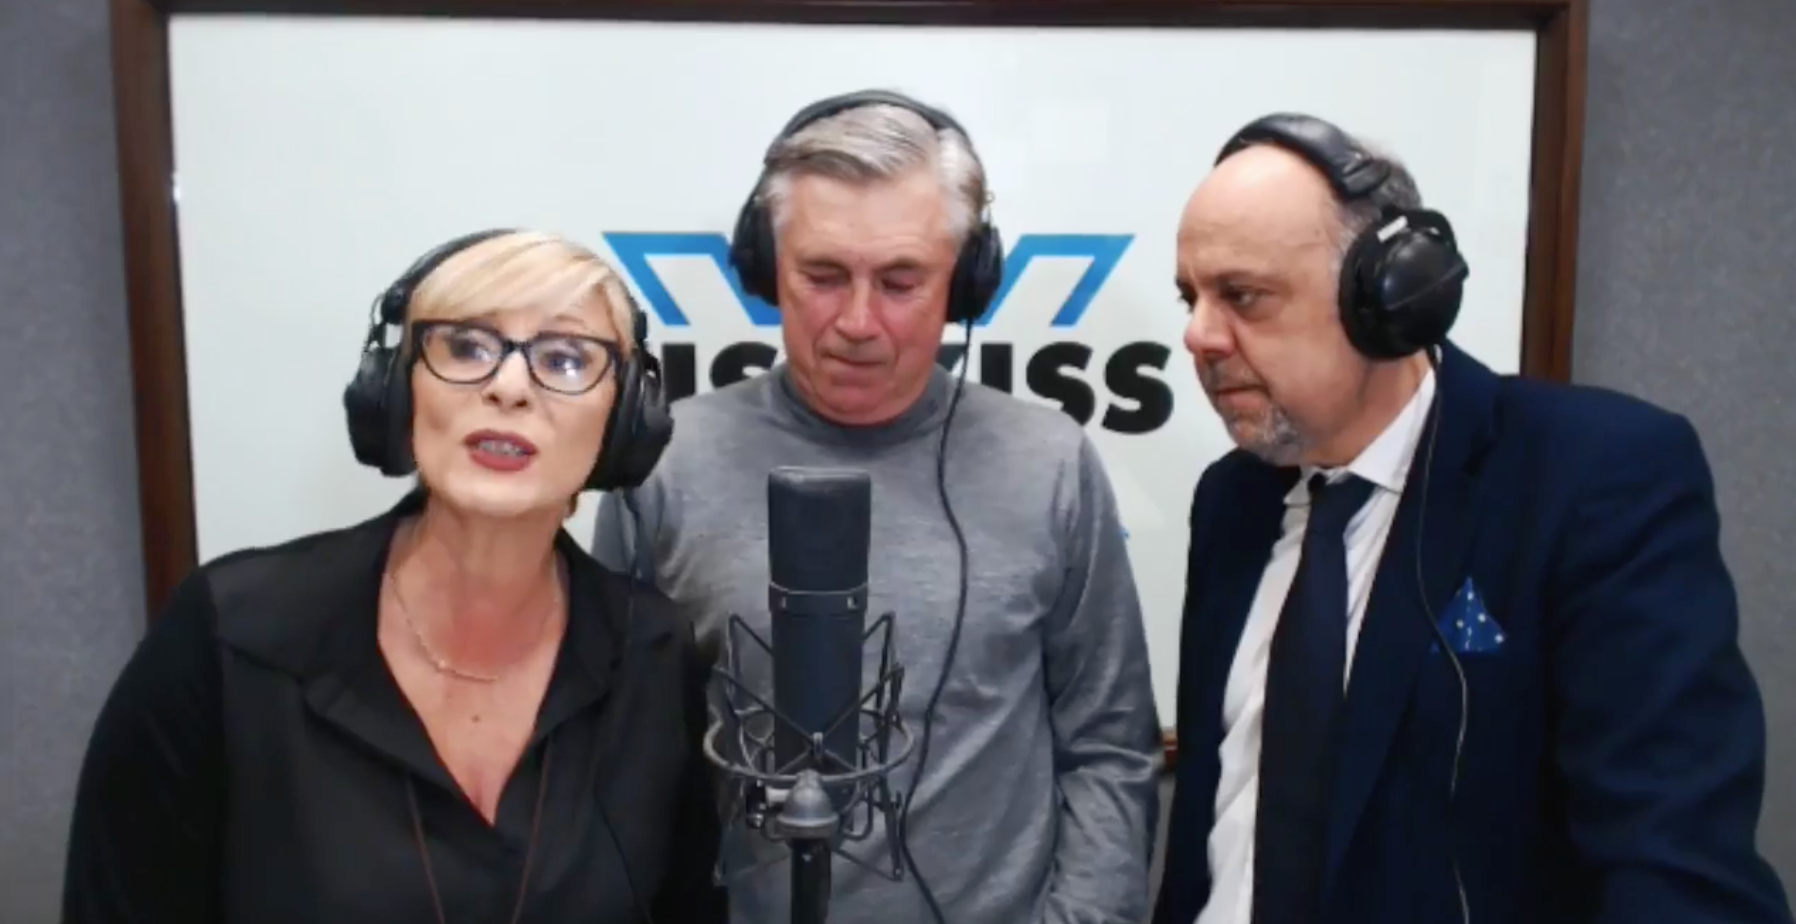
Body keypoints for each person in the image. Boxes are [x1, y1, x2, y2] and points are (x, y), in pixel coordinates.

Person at [1153, 112, 1793, 924]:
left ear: (1389, 295)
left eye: (1242, 296)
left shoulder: (1592, 479)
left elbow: (1675, 865)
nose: (1199, 336)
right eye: (1192, 298)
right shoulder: (1232, 501)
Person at [591, 89, 1163, 924]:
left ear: (964, 281)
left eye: (900, 282)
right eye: (823, 277)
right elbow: (617, 765)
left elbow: (1109, 743)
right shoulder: (664, 466)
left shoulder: (1052, 465)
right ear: (767, 269)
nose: (858, 321)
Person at [61, 229, 727, 924]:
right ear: (397, 388)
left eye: (565, 359)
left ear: (624, 420)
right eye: (466, 347)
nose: (507, 387)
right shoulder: (232, 633)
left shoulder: (651, 650)